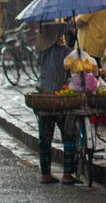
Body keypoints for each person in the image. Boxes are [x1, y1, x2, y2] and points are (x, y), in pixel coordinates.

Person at [33, 21, 77, 184]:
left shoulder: (42, 54)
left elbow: (40, 65)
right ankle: (67, 174)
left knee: (44, 138)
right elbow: (75, 67)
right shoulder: (67, 52)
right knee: (69, 136)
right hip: (62, 99)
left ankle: (45, 174)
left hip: (45, 100)